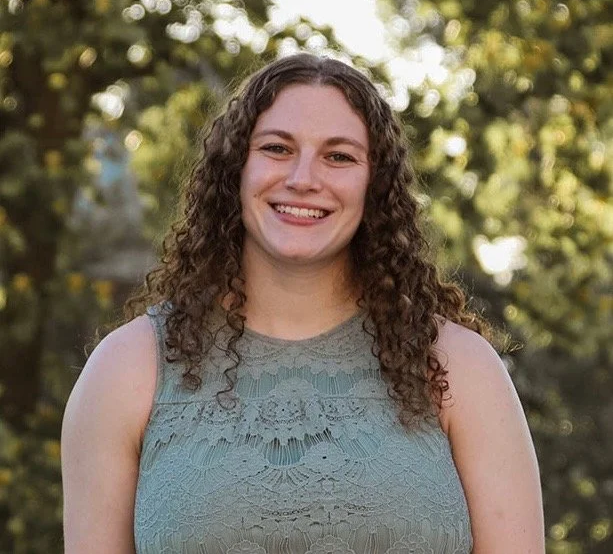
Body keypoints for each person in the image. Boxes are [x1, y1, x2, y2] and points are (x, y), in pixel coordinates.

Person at [61, 53, 545, 553]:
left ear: (374, 185)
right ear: (236, 169)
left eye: (339, 156)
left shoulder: (457, 367)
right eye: (276, 148)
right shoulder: (126, 370)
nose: (303, 178)